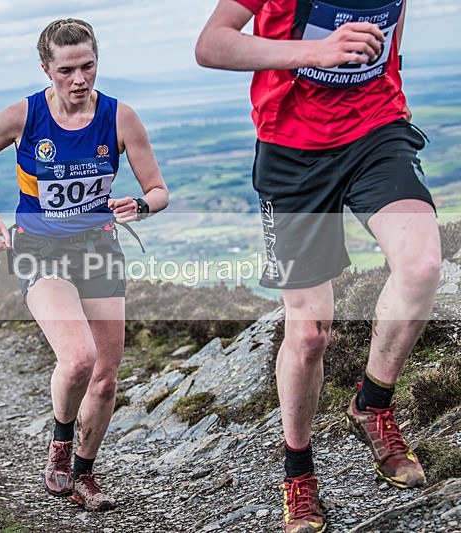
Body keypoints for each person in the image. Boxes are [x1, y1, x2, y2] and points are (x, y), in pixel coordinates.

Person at [196, 1, 441, 531]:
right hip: (291, 153)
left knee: (421, 265)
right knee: (309, 336)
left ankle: (372, 405)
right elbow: (212, 44)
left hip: (376, 131)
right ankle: (299, 475)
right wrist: (316, 51)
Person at [0, 18, 169, 512]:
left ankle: (83, 471)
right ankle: (59, 441)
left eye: (88, 66)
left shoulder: (121, 119)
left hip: (98, 247)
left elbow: (159, 192)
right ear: (46, 69)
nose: (79, 79)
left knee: (106, 374)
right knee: (78, 359)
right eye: (67, 70)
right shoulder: (24, 116)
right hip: (39, 248)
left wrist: (138, 206)